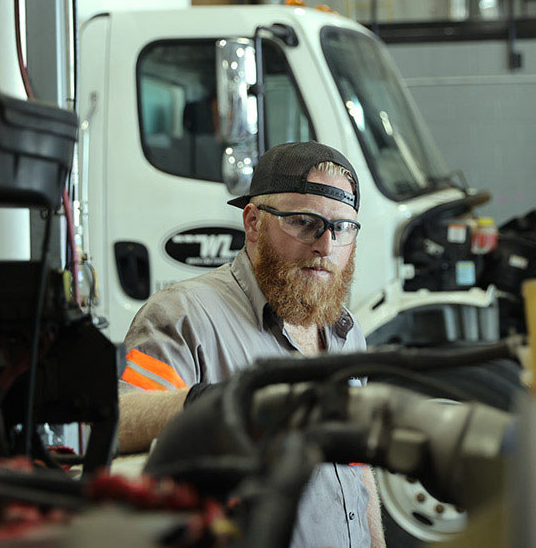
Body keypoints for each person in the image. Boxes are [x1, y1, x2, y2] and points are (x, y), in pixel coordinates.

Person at [116, 141, 384, 548]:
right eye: (303, 222)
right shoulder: (186, 315)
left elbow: (357, 469)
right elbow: (122, 422)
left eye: (342, 228)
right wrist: (226, 405)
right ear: (254, 222)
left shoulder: (347, 333)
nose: (326, 246)